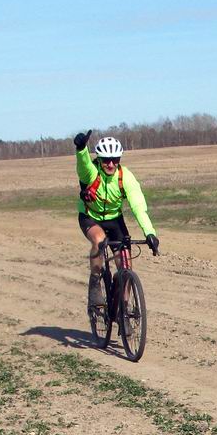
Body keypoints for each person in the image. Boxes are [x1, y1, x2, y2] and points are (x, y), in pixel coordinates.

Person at [73, 130, 159, 306]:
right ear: (99, 160)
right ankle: (95, 283)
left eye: (115, 160)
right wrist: (81, 149)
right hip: (90, 216)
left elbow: (138, 206)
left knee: (125, 265)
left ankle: (123, 309)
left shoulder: (125, 176)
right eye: (106, 160)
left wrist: (150, 233)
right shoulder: (92, 173)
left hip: (114, 220)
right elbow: (83, 166)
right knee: (99, 240)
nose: (111, 164)